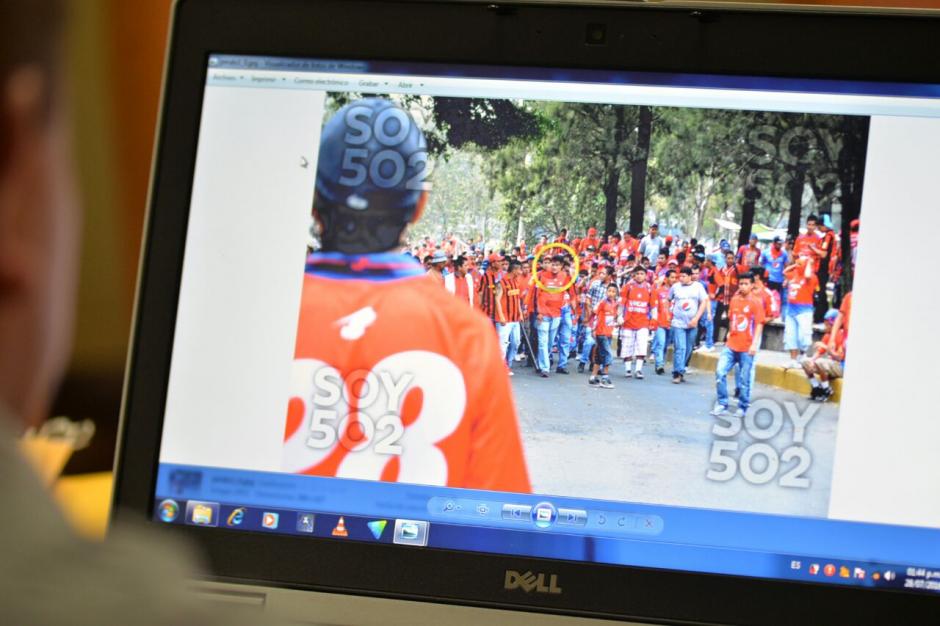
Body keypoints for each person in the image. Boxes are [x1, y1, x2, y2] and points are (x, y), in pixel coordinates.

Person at [285, 98, 531, 492]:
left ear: (314, 198)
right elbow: (501, 520)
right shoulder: (467, 334)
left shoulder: (254, 319)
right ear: (419, 204)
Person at [710, 272, 765, 417]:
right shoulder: (734, 299)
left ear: (752, 285)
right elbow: (731, 318)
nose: (743, 286)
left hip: (746, 347)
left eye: (746, 284)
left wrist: (754, 344)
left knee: (744, 379)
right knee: (720, 372)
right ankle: (722, 403)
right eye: (741, 284)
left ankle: (743, 406)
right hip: (731, 345)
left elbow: (759, 324)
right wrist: (729, 331)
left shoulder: (755, 302)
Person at [534, 255, 579, 378]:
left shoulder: (565, 277)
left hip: (557, 314)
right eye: (553, 264)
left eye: (557, 265)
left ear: (561, 267)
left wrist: (575, 313)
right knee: (543, 341)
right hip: (543, 314)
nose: (554, 267)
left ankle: (542, 362)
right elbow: (537, 295)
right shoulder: (541, 277)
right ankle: (545, 368)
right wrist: (539, 312)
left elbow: (573, 294)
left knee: (549, 342)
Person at [669, 267, 709, 384]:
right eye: (680, 276)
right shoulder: (675, 287)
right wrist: (668, 313)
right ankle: (677, 372)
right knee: (680, 347)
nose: (681, 278)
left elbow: (704, 302)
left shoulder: (698, 287)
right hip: (678, 322)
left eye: (683, 276)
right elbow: (668, 299)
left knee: (688, 348)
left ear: (690, 276)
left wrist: (696, 318)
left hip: (692, 323)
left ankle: (682, 368)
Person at [802, 309, 846, 402]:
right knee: (805, 361)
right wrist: (811, 361)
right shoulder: (827, 336)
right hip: (830, 366)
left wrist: (826, 347)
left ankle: (826, 389)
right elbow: (818, 353)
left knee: (820, 362)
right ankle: (816, 388)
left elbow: (839, 357)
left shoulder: (842, 335)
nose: (825, 327)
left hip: (840, 367)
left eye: (827, 325)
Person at [783, 257, 818, 368]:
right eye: (797, 263)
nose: (797, 265)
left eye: (800, 264)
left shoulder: (811, 277)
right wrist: (796, 264)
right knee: (791, 335)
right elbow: (785, 271)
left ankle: (802, 357)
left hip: (804, 310)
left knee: (803, 335)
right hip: (791, 310)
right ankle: (793, 360)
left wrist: (808, 263)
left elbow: (807, 275)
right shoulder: (794, 274)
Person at [620, 265, 655, 379]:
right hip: (628, 322)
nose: (639, 276)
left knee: (642, 345)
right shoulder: (627, 287)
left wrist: (654, 320)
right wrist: (620, 316)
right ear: (633, 275)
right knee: (627, 346)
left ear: (645, 275)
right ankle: (628, 369)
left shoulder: (649, 288)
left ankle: (638, 370)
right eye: (637, 274)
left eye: (642, 274)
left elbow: (653, 306)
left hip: (643, 322)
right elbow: (621, 303)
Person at [577, 265, 612, 373]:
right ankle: (582, 362)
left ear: (609, 276)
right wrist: (589, 312)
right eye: (600, 273)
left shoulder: (613, 288)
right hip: (592, 317)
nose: (601, 275)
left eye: (603, 273)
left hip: (605, 319)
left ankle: (597, 364)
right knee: (589, 341)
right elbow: (588, 299)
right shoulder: (595, 284)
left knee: (602, 343)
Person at [588, 283, 621, 389]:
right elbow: (595, 314)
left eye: (613, 291)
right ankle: (605, 378)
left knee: (599, 355)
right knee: (607, 355)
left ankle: (593, 376)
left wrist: (617, 321)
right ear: (606, 292)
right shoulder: (602, 303)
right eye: (609, 291)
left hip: (608, 332)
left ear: (616, 293)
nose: (611, 293)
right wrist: (593, 329)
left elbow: (613, 319)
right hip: (601, 333)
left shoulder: (615, 304)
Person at [496, 260, 525, 375]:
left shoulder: (516, 282)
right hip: (505, 319)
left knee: (516, 342)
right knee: (503, 343)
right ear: (514, 270)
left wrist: (520, 313)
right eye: (519, 269)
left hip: (515, 318)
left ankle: (508, 363)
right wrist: (501, 316)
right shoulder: (501, 283)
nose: (520, 272)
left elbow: (517, 299)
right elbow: (497, 300)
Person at [651, 269, 677, 375]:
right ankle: (659, 364)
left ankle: (661, 362)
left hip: (672, 322)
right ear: (666, 279)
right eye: (672, 277)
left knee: (666, 345)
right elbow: (654, 307)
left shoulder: (677, 292)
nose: (674, 280)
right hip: (660, 322)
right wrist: (654, 320)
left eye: (675, 277)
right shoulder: (658, 291)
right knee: (661, 344)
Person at [760, 236, 788, 303]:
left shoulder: (784, 254)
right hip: (768, 279)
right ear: (774, 243)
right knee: (767, 298)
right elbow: (761, 264)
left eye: (781, 244)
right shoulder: (765, 252)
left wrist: (786, 279)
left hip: (779, 280)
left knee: (777, 299)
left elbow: (786, 267)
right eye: (778, 244)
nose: (780, 245)